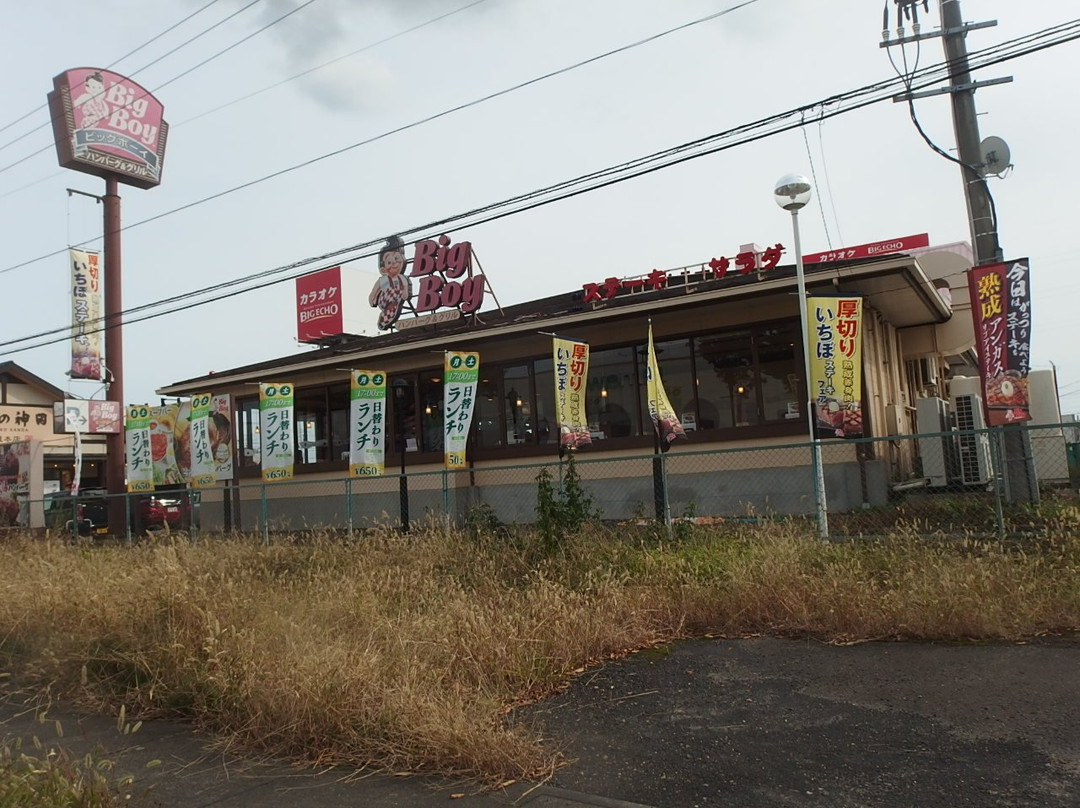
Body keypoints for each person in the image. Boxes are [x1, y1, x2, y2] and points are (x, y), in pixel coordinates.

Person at [368, 236, 411, 329]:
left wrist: (405, 294)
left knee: (392, 311)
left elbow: (405, 287)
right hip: (385, 302)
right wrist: (372, 298)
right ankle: (384, 321)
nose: (394, 263)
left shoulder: (401, 278)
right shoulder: (384, 280)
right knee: (389, 311)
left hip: (396, 301)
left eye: (396, 258)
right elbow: (375, 290)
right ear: (383, 269)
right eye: (389, 262)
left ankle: (385, 321)